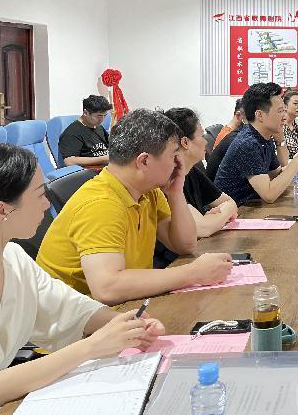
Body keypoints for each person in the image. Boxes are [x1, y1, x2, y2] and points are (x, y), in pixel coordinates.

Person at [0, 143, 165, 415]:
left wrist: (124, 323)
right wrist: (91, 347)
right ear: (1, 211)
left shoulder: (12, 257)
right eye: (39, 194)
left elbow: (66, 307)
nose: (47, 204)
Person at [36, 109, 232, 305]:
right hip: (76, 318)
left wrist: (176, 192)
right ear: (144, 161)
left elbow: (185, 245)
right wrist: (192, 273)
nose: (178, 163)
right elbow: (107, 288)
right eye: (174, 155)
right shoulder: (102, 203)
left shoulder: (148, 191)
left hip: (122, 307)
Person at [154, 108, 240, 269]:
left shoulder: (192, 170)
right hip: (172, 265)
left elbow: (230, 203)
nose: (206, 142)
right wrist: (214, 218)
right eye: (201, 136)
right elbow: (203, 229)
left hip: (189, 258)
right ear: (185, 142)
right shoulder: (165, 179)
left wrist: (211, 218)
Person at [215, 83, 298, 205]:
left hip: (252, 206)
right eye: (280, 111)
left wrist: (296, 167)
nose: (284, 116)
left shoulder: (264, 137)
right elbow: (269, 195)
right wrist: (295, 164)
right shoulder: (248, 143)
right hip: (236, 211)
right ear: (259, 115)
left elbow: (276, 175)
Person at [58, 95, 112, 168]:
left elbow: (110, 146)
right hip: (91, 171)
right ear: (86, 113)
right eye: (99, 116)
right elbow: (69, 161)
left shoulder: (98, 126)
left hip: (107, 167)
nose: (102, 120)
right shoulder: (72, 132)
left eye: (104, 116)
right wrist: (103, 159)